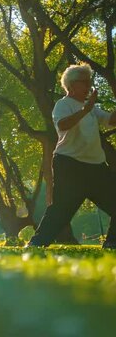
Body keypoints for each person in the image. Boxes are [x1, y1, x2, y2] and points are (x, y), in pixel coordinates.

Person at [28, 64, 116, 249]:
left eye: (89, 82)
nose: (89, 86)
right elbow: (63, 125)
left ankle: (112, 243)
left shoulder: (91, 108)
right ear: (72, 85)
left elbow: (111, 120)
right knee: (60, 210)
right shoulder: (63, 105)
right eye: (85, 82)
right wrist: (86, 110)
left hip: (96, 167)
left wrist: (90, 108)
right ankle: (37, 243)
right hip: (69, 165)